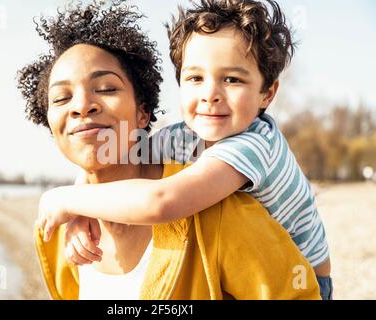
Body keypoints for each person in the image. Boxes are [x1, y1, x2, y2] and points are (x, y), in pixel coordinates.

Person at [19, 0, 321, 299]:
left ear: (144, 111)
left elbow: (162, 201)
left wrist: (66, 199)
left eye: (107, 88)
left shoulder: (232, 177)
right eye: (61, 98)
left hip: (311, 271)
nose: (82, 106)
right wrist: (77, 205)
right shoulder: (62, 229)